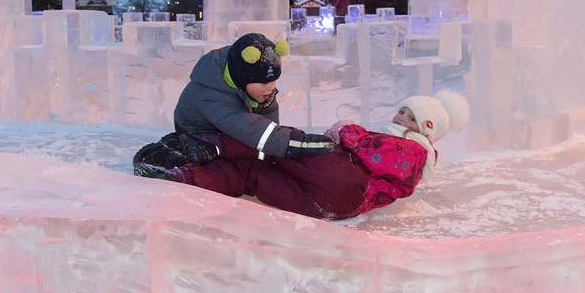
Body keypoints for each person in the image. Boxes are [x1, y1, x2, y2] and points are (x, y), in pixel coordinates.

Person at [164, 90, 470, 220]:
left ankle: (214, 144)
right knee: (255, 177)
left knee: (284, 145)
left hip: (346, 177)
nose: (402, 118)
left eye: (412, 117)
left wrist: (347, 130)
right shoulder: (409, 153)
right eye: (402, 111)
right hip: (337, 206)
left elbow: (374, 152)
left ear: (426, 130)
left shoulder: (415, 149)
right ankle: (186, 178)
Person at [134, 32, 335, 177]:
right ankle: (169, 154)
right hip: (198, 132)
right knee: (212, 157)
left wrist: (276, 149)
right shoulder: (212, 95)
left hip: (235, 126)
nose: (270, 88)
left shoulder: (257, 89)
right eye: (264, 82)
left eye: (274, 81)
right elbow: (251, 129)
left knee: (252, 153)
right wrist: (294, 143)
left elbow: (266, 129)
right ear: (242, 77)